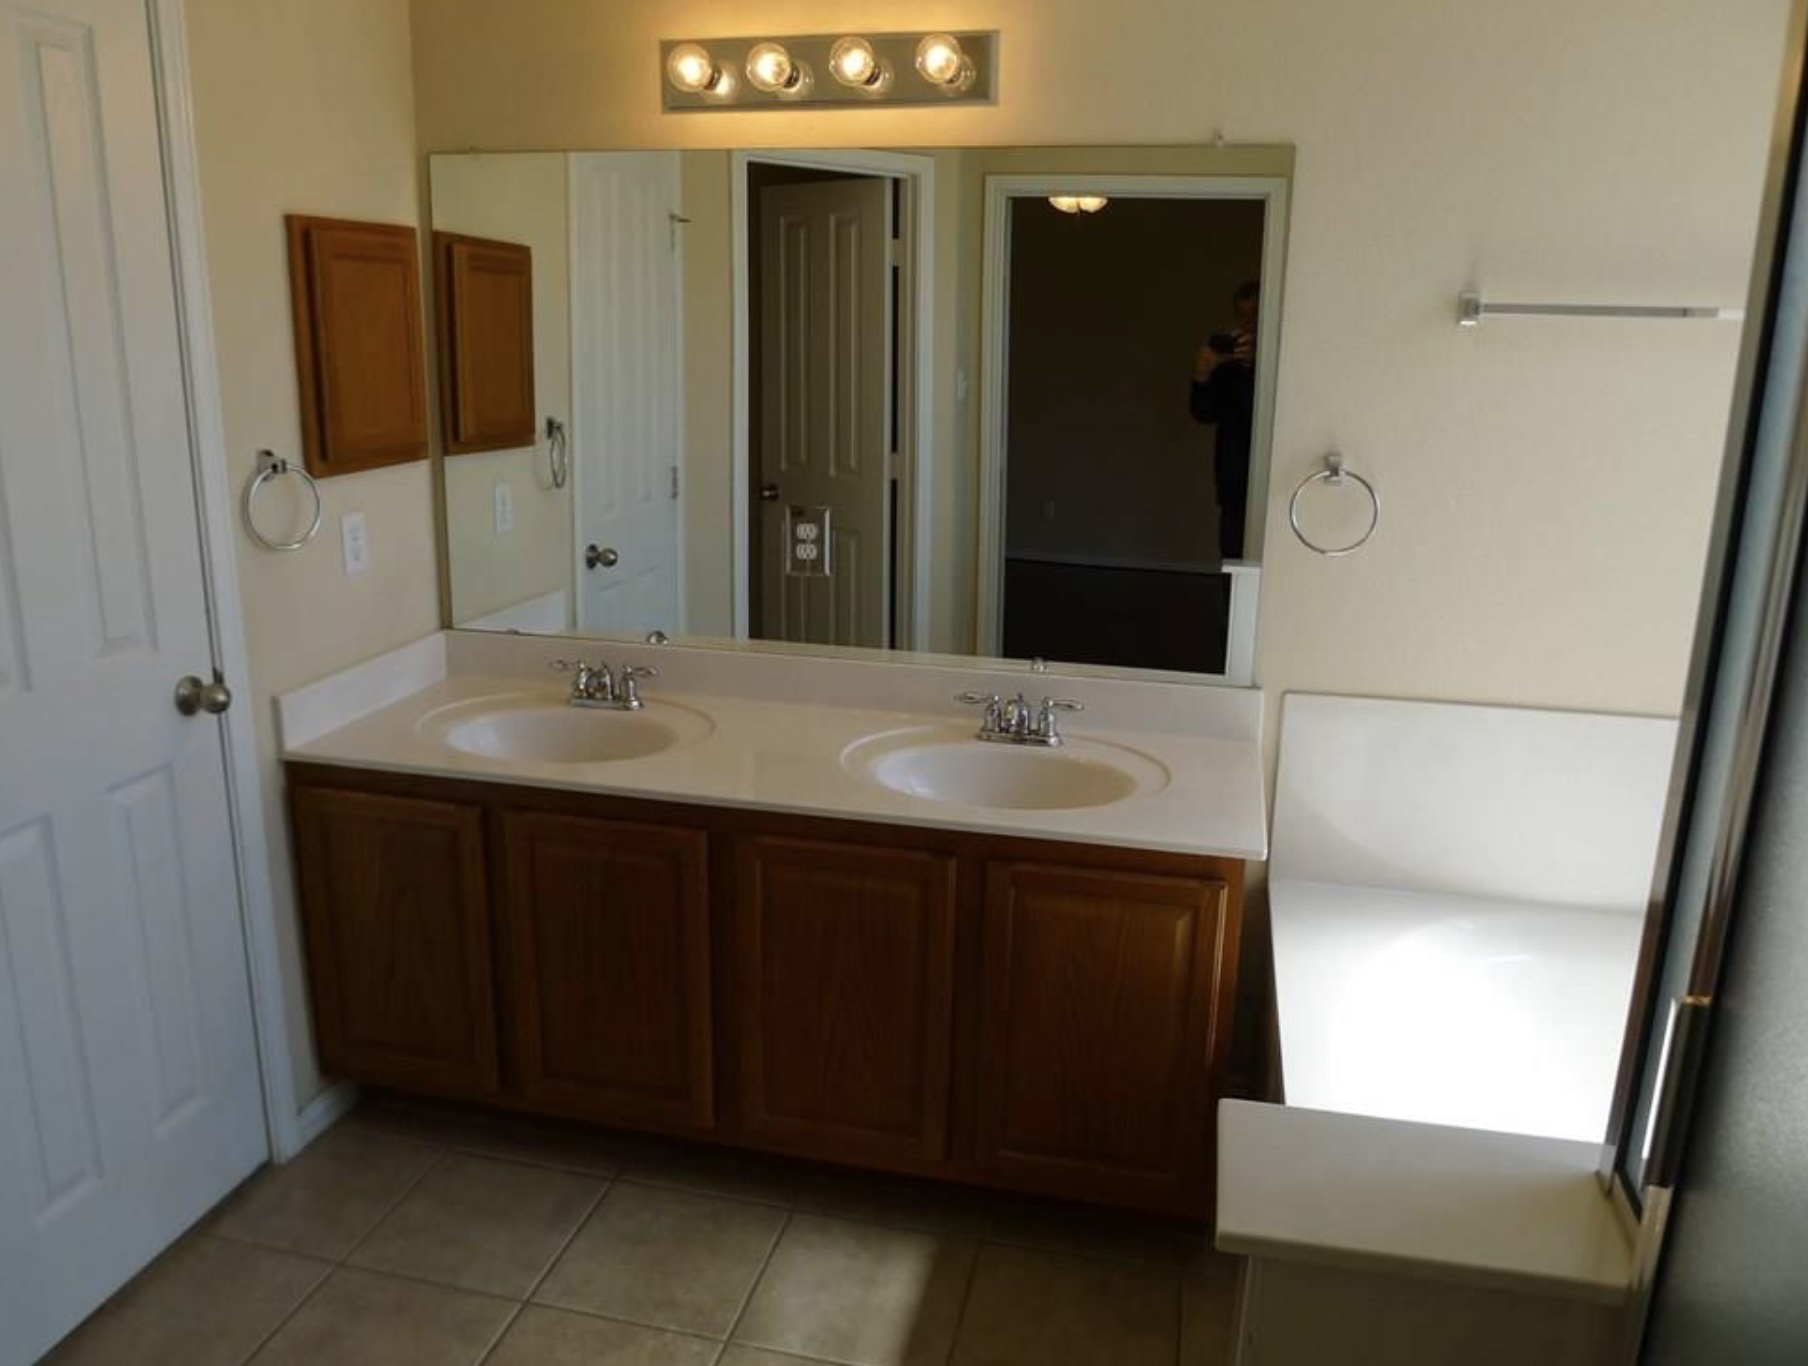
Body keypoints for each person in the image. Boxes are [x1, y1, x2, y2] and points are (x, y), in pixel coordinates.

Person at [1190, 280, 1260, 560]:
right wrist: (1202, 375)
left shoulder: (1282, 360)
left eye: (1255, 314)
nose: (1249, 323)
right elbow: (1203, 413)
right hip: (1232, 482)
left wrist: (1252, 366)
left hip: (1267, 481)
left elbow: (1258, 413)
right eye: (1242, 315)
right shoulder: (1227, 366)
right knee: (1232, 560)